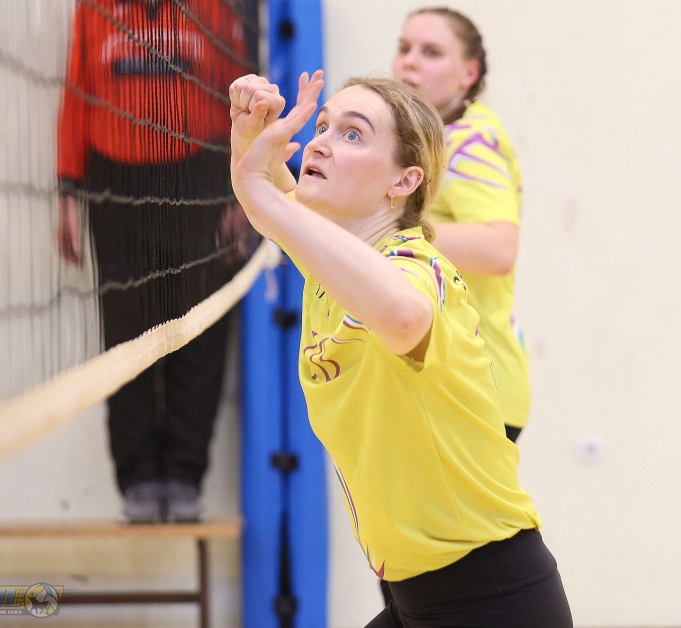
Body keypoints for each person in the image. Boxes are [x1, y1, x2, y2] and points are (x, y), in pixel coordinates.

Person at [228, 69, 572, 627]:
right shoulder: (333, 266)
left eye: (353, 134)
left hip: (492, 599)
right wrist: (250, 133)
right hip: (417, 597)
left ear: (404, 181)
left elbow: (404, 314)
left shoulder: (417, 268)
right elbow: (272, 200)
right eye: (322, 126)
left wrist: (261, 191)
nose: (319, 143)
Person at [56, 0, 253, 523]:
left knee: (201, 331)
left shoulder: (213, 7)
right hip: (115, 181)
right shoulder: (95, 8)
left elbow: (239, 94)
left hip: (200, 174)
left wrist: (242, 190)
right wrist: (67, 189)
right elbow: (77, 93)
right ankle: (139, 477)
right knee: (126, 333)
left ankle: (185, 477)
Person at [392, 7, 531, 445]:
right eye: (405, 48)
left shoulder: (469, 141)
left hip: (479, 388)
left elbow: (498, 249)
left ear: (469, 73)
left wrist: (393, 229)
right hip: (446, 382)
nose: (410, 61)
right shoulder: (428, 138)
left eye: (431, 52)